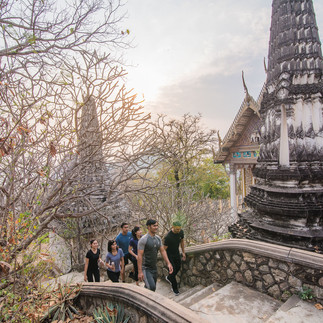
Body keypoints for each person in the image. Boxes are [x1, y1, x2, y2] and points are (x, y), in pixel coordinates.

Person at [138, 219, 173, 292]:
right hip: (146, 268)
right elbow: (140, 256)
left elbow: (163, 251)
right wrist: (140, 272)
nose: (156, 227)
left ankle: (145, 294)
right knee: (151, 287)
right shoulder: (143, 240)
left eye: (157, 225)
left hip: (154, 267)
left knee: (152, 287)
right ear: (149, 227)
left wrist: (168, 263)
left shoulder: (158, 238)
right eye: (154, 226)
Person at [163, 221, 186, 295]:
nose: (178, 231)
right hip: (169, 255)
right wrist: (167, 261)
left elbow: (182, 241)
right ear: (172, 227)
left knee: (178, 267)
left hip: (177, 253)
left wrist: (183, 252)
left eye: (179, 229)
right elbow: (164, 249)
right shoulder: (168, 237)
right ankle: (175, 288)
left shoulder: (181, 232)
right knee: (173, 271)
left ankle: (169, 277)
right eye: (176, 229)